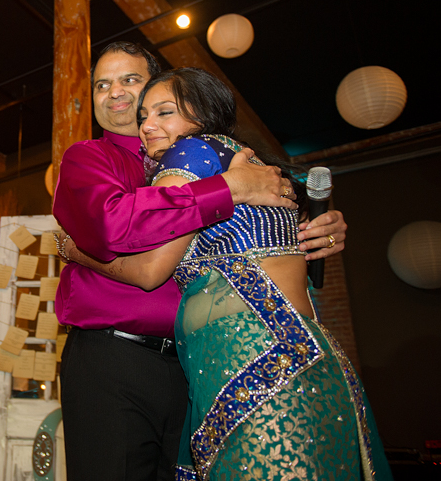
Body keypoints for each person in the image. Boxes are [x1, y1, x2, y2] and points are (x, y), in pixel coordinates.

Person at [52, 41, 348, 481]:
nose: (114, 93)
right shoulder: (89, 158)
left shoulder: (215, 155)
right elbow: (114, 226)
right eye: (101, 84)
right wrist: (228, 190)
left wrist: (319, 227)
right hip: (113, 360)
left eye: (129, 80)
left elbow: (271, 233)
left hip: (201, 361)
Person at [120, 67, 390, 480]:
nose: (147, 125)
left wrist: (72, 248)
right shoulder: (250, 165)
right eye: (143, 116)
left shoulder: (192, 150)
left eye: (164, 111)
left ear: (202, 114)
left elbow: (148, 257)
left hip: (253, 354)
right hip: (302, 350)